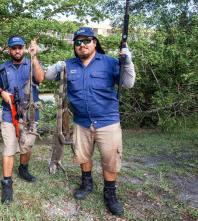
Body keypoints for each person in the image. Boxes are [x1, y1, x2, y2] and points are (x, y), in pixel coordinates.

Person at [45, 27, 136, 215]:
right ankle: (86, 183)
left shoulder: (110, 62)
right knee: (83, 156)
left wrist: (127, 62)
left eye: (86, 40)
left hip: (107, 121)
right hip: (81, 122)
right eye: (78, 42)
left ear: (95, 42)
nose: (82, 45)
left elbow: (128, 83)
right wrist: (55, 67)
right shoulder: (68, 65)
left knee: (110, 159)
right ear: (75, 47)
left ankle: (110, 193)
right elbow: (47, 77)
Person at [0, 35, 45, 204]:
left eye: (19, 47)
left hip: (29, 113)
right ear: (9, 50)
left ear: (24, 48)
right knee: (9, 147)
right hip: (10, 113)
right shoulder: (3, 68)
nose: (17, 51)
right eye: (13, 48)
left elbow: (40, 78)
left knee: (27, 144)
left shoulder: (32, 63)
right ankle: (7, 183)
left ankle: (23, 169)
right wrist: (2, 93)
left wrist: (34, 56)